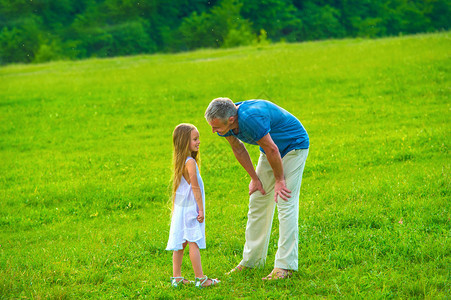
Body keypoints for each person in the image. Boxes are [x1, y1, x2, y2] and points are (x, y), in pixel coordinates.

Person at [205, 98, 309, 280]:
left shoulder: (250, 118)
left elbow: (273, 149)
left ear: (231, 120)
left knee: (285, 200)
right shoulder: (224, 121)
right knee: (258, 199)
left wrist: (279, 180)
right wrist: (254, 178)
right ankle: (251, 262)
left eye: (216, 127)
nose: (213, 131)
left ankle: (286, 266)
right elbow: (238, 148)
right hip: (269, 150)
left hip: (293, 146)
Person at [165, 123, 220, 288]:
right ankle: (201, 279)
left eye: (198, 138)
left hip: (182, 207)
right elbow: (195, 187)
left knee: (180, 243)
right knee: (193, 241)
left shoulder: (180, 160)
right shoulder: (190, 163)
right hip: (190, 208)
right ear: (184, 142)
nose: (198, 142)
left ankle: (177, 278)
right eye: (195, 139)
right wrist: (201, 209)